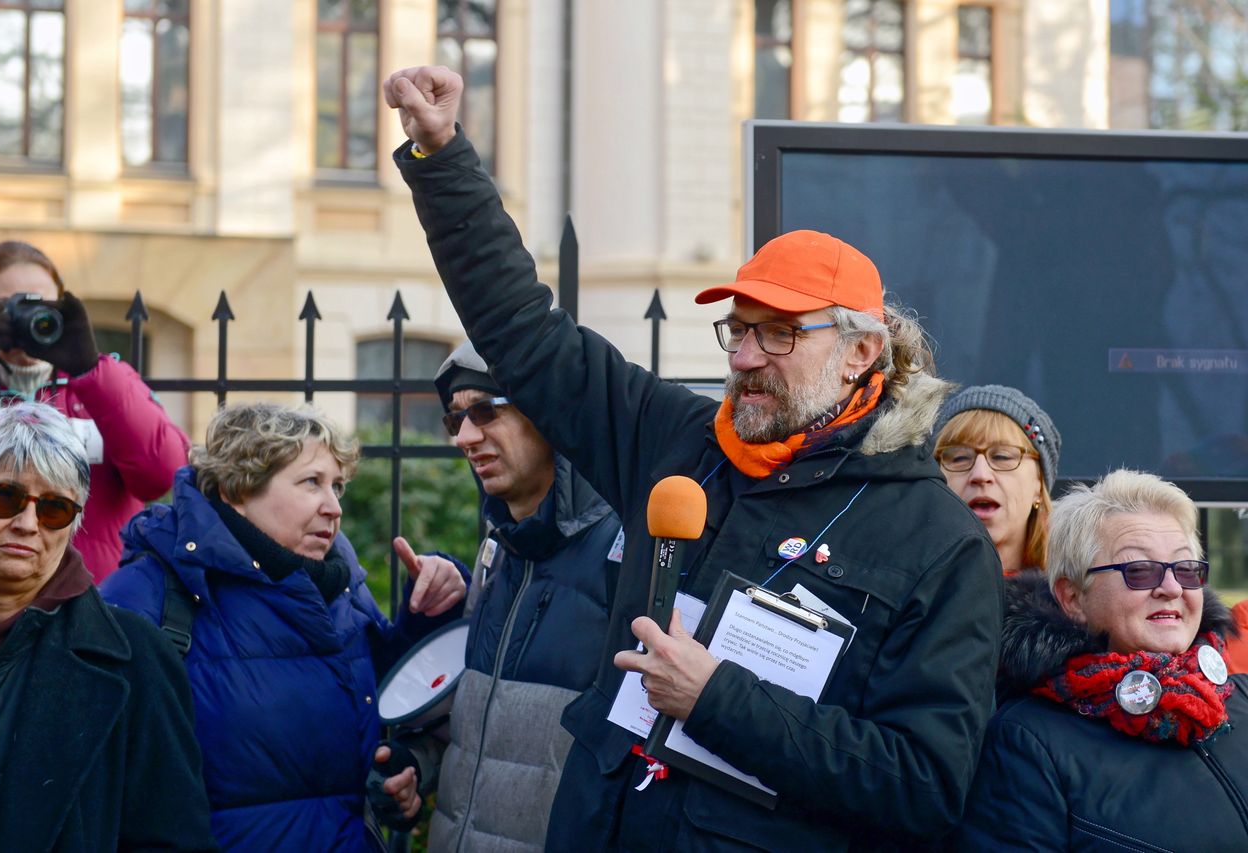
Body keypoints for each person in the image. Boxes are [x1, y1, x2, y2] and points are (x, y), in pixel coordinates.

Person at [383, 66, 1003, 850]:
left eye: (778, 332)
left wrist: (718, 700)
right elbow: (525, 334)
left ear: (860, 353)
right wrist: (441, 158)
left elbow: (925, 781)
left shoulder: (937, 542)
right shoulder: (676, 440)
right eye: (738, 330)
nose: (746, 355)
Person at [99, 402, 467, 852]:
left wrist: (431, 611)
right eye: (311, 482)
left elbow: (382, 699)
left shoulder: (336, 585)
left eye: (338, 487)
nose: (333, 507)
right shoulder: (148, 593)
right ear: (238, 488)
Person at [382, 341, 620, 850]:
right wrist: (418, 764)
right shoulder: (500, 548)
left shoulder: (629, 553)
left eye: (486, 411)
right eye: (455, 420)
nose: (465, 437)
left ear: (554, 415)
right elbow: (483, 718)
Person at [0, 401, 214, 851]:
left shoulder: (135, 658)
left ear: (74, 523)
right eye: (5, 497)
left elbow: (172, 839)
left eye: (54, 509)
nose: (26, 524)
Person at [959, 470, 1248, 849]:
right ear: (1073, 598)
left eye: (1185, 568)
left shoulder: (1240, 693)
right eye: (1139, 571)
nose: (1172, 588)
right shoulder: (1025, 742)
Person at [0, 241, 189, 581]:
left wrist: (90, 371)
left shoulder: (102, 384)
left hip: (93, 601)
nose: (25, 318)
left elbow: (161, 475)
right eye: (7, 308)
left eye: (39, 306)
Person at [934, 384, 1061, 575]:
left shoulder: (1078, 597)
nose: (980, 475)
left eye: (1002, 457)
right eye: (959, 458)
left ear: (1038, 484)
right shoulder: (900, 592)